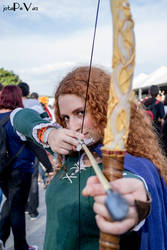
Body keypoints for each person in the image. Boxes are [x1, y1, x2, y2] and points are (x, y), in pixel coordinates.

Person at [11, 67, 167, 250]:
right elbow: (17, 116)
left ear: (107, 110)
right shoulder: (69, 149)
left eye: (80, 113)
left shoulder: (130, 165)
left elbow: (134, 189)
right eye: (66, 118)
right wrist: (50, 134)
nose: (73, 126)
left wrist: (135, 206)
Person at [0, 85, 38, 250]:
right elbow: (33, 143)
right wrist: (50, 166)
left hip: (2, 170)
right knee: (17, 208)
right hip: (21, 169)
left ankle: (2, 237)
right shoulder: (18, 117)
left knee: (10, 203)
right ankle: (21, 246)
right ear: (18, 97)